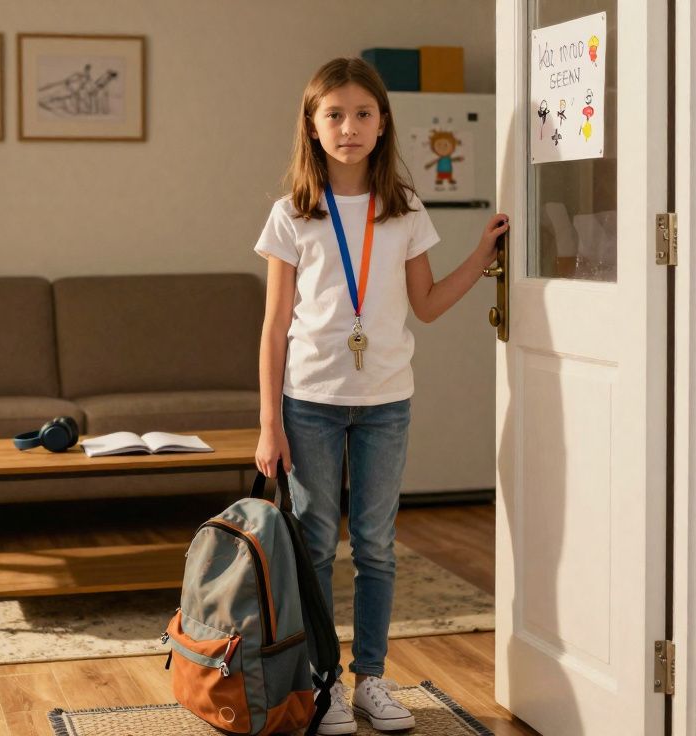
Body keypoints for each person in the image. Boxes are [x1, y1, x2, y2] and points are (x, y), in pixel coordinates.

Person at [252, 57, 509, 735]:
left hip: (387, 400)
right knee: (313, 546)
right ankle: (323, 684)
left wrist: (482, 255)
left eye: (363, 113)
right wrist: (267, 423)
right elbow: (274, 326)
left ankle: (371, 681)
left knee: (374, 545)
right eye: (333, 114)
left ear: (382, 122)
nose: (349, 127)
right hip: (308, 399)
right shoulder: (292, 214)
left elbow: (424, 304)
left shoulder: (404, 208)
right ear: (311, 126)